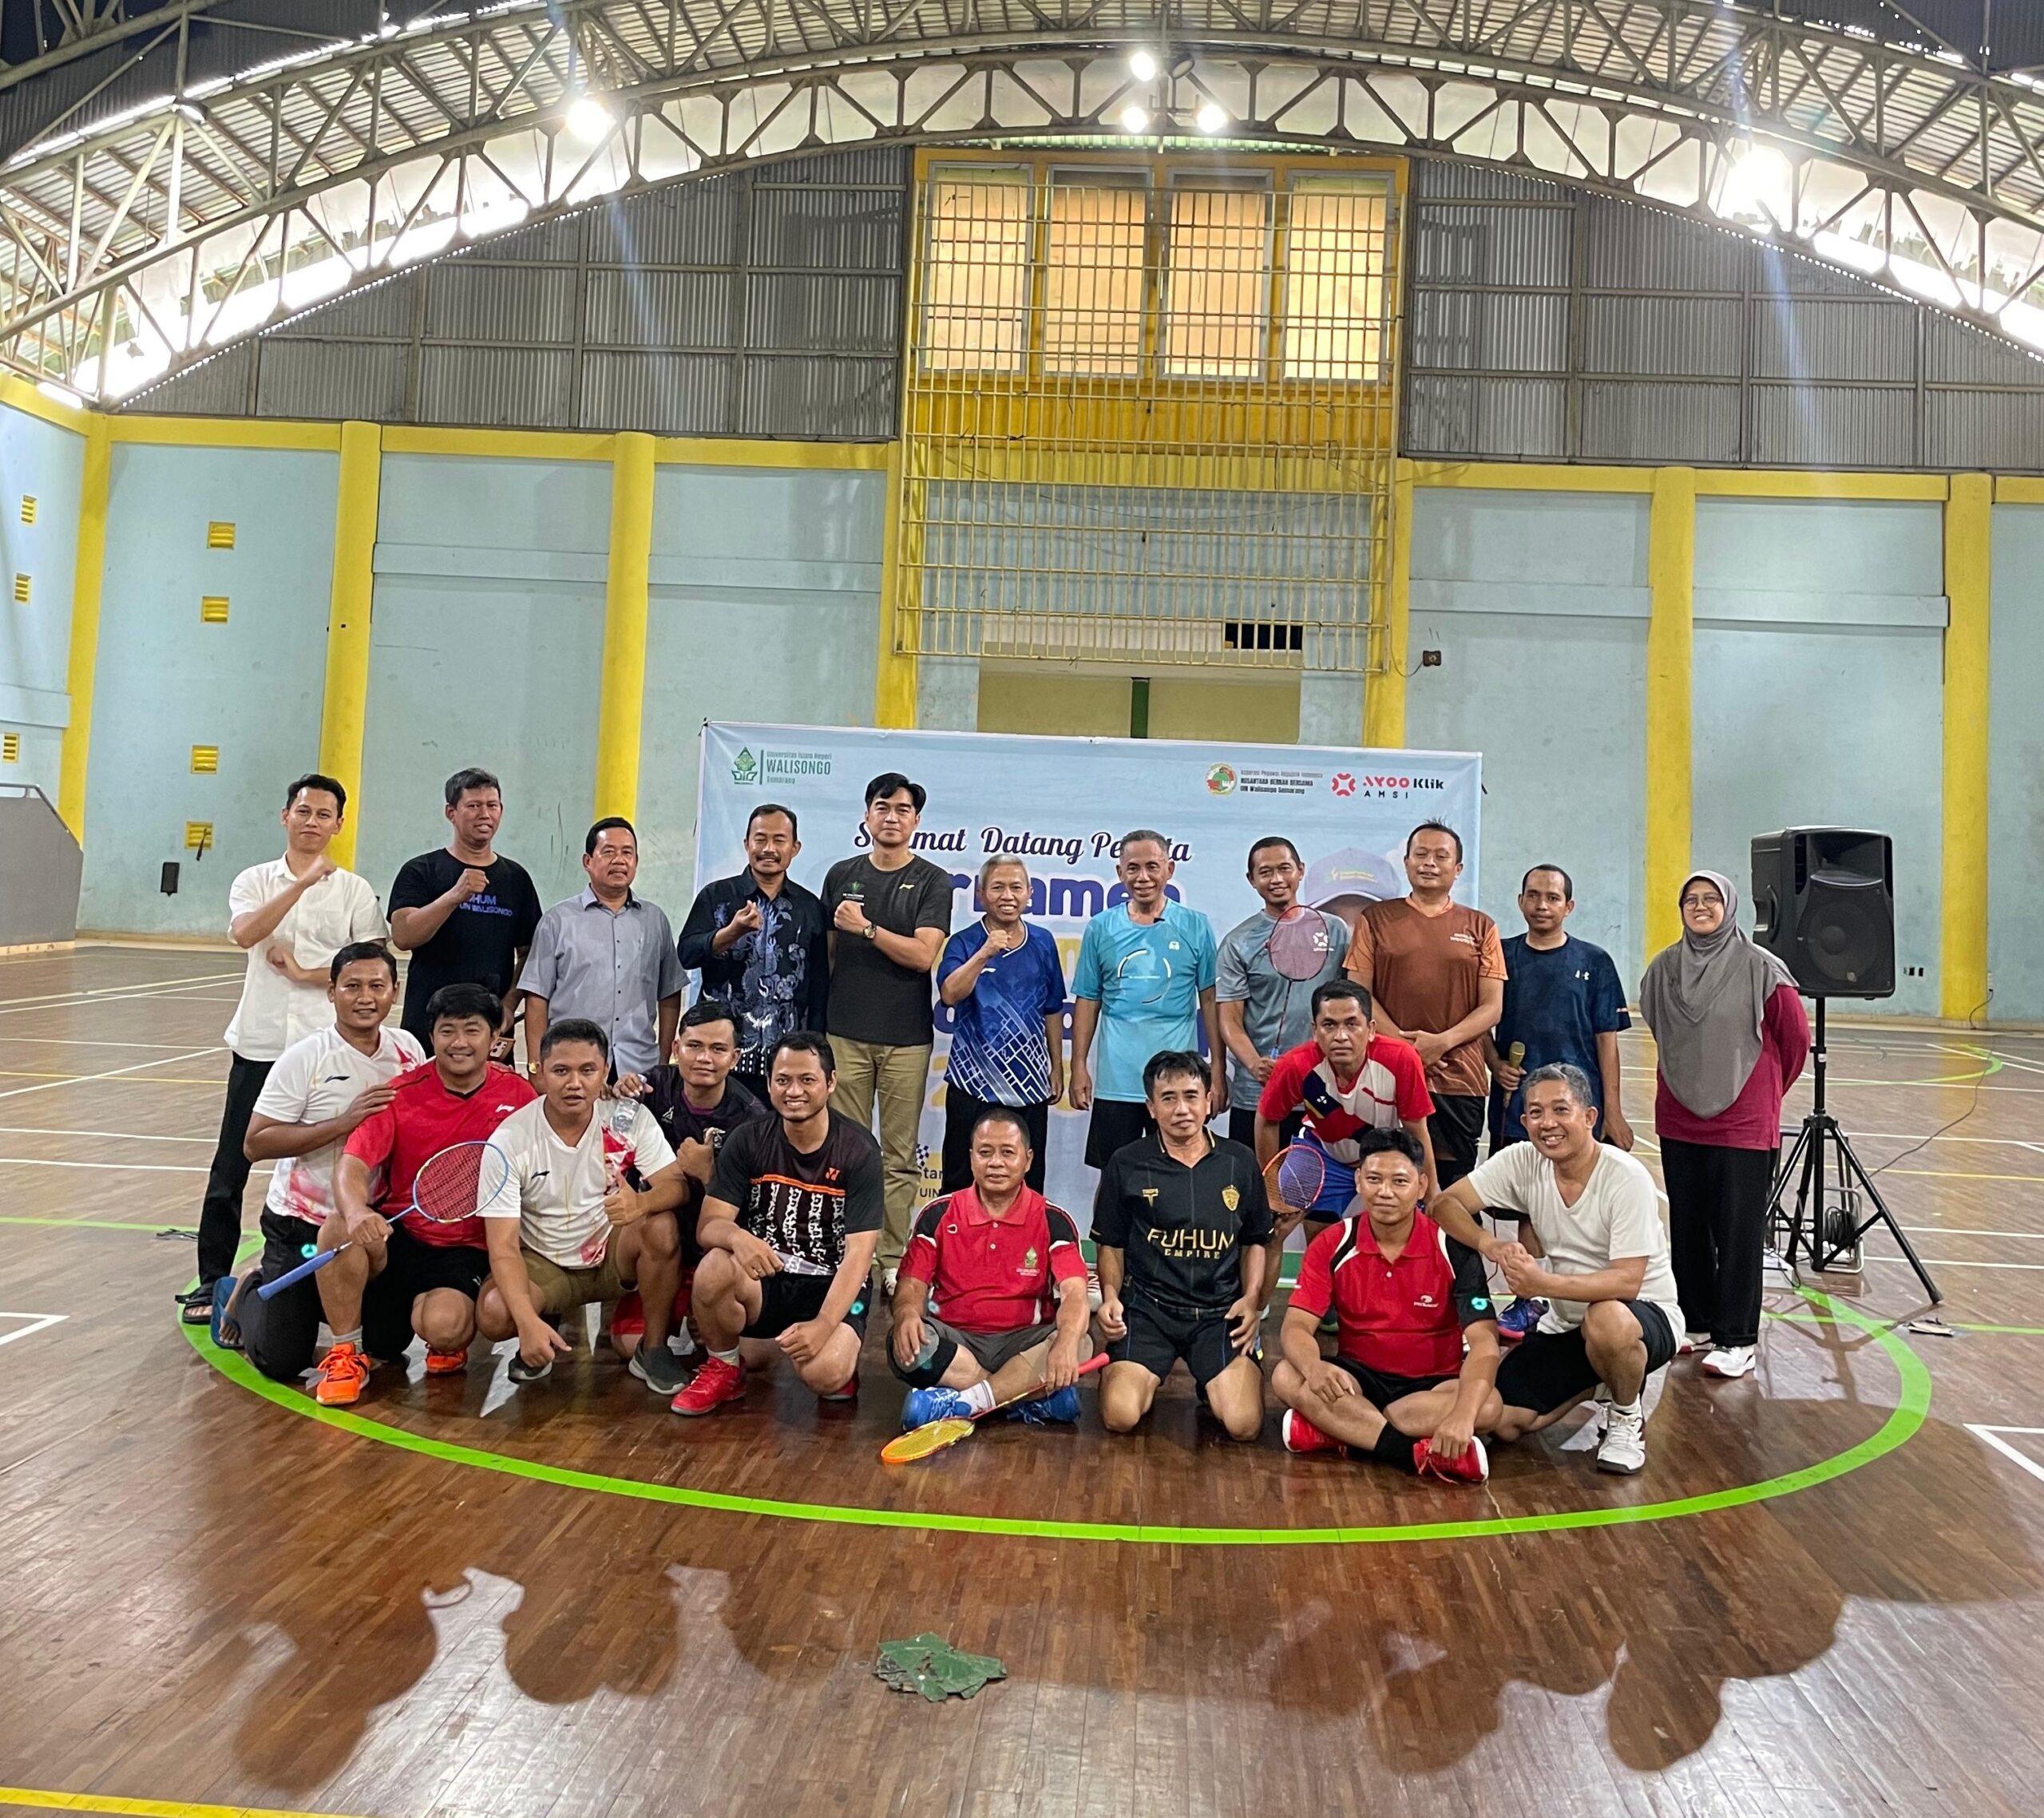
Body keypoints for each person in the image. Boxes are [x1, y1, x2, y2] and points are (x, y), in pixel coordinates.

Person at [180, 772, 386, 1322]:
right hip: (262, 1042)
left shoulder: (355, 891)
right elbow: (246, 933)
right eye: (303, 811)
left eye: (324, 814)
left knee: (331, 1161)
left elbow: (368, 965)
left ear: (339, 824)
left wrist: (301, 971)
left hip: (325, 1049)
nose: (312, 821)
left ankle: (328, 1272)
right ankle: (211, 1281)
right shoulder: (254, 880)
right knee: (232, 1164)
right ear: (285, 816)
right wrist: (301, 884)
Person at [1429, 1064, 1685, 1475]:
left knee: (1607, 1319)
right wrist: (1490, 1245)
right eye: (1535, 1112)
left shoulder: (1626, 1177)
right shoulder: (1523, 1160)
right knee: (1504, 1422)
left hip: (1641, 1316)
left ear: (1589, 1117)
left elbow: (1627, 1281)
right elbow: (1445, 1205)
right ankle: (1602, 1379)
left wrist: (1542, 1283)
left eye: (1560, 1110)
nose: (1547, 1123)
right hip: (1566, 1325)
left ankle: (1625, 1416)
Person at [208, 943, 424, 1384]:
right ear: (331, 992)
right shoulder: (306, 1057)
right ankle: (246, 1288)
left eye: (377, 986)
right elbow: (255, 1143)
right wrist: (344, 1122)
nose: (365, 998)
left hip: (371, 1223)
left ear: (395, 991)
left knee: (388, 1342)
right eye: (352, 986)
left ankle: (324, 1302)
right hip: (302, 1226)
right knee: (282, 1360)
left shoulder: (407, 1051)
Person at [313, 983, 537, 1404]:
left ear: (495, 1038)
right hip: (400, 1238)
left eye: (472, 1030)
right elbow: (352, 1164)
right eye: (447, 1030)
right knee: (337, 1227)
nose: (459, 1042)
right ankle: (345, 1351)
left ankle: (439, 1336)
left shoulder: (519, 1095)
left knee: (444, 1326)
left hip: (467, 1248)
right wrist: (358, 1211)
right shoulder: (401, 1093)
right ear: (431, 1036)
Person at [1638, 869, 1809, 1382]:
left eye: (1711, 898)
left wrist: (1762, 1094)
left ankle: (1737, 1337)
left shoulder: (1763, 969)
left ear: (1730, 906)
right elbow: (1658, 1026)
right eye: (1690, 899)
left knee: (1738, 1231)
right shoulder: (1663, 968)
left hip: (1744, 1123)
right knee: (1688, 1226)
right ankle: (1696, 1321)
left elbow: (1794, 1041)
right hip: (1679, 1117)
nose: (1700, 906)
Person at [671, 1032, 884, 1416]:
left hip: (831, 1283)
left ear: (831, 1083)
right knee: (715, 1264)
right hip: (768, 1277)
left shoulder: (859, 1149)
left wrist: (824, 1323)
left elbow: (860, 1255)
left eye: (807, 1080)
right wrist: (739, 1238)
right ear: (768, 1084)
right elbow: (709, 1226)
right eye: (783, 1080)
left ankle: (838, 1356)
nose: (794, 1091)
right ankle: (725, 1368)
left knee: (825, 1376)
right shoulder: (748, 1139)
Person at [1272, 1128, 1502, 1483]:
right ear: (1358, 1181)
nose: (1385, 1192)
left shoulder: (1453, 1247)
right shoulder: (1333, 1242)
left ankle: (1342, 1429)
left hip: (1432, 1387)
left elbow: (1485, 1342)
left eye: (1399, 1181)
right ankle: (1412, 1452)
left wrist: (1463, 1416)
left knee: (1488, 1406)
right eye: (1374, 1179)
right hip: (1358, 1380)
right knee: (1287, 1374)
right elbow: (1297, 1326)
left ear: (1422, 1186)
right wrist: (1314, 1367)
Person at [473, 1020, 690, 1395]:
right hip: (544, 1262)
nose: (574, 1083)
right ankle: (542, 1326)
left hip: (611, 1253)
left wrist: (641, 1203)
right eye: (561, 1071)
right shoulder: (509, 1140)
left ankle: (653, 1349)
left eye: (587, 1070)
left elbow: (677, 1186)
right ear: (540, 1071)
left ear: (605, 1071)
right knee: (495, 1313)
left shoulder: (627, 1118)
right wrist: (525, 1323)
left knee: (661, 1227)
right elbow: (504, 1247)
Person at [1483, 864, 1634, 1342]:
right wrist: (1494, 1064)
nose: (1542, 905)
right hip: (1517, 1106)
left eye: (1552, 898)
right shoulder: (1501, 956)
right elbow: (1480, 1019)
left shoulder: (1595, 961)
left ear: (1569, 906)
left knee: (1583, 1199)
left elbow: (1607, 1041)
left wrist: (1613, 1111)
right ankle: (1530, 1298)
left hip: (1577, 1109)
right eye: (1533, 896)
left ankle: (1587, 1296)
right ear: (1520, 901)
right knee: (1532, 1201)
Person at [1093, 1051, 1271, 1443]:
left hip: (1218, 1313)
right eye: (1168, 1098)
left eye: (1191, 1096)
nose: (1181, 1109)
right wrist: (1110, 1297)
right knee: (1120, 1416)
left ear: (1209, 1101)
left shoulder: (1240, 1162)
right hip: (1148, 1310)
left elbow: (1255, 1240)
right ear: (1151, 1107)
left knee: (1243, 1425)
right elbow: (1111, 1243)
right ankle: (1135, 1373)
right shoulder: (1126, 1163)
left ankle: (1216, 1380)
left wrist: (1252, 1299)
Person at [821, 773, 953, 1290]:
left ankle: (893, 1258)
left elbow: (923, 955)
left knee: (898, 1159)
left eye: (902, 809)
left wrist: (868, 928)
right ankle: (844, 1255)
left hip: (906, 1038)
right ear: (866, 816)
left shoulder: (933, 880)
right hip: (844, 1033)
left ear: (916, 820)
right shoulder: (841, 874)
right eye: (882, 807)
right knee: (845, 1151)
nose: (891, 817)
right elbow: (829, 957)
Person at [890, 1106, 1093, 1429]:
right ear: (971, 1157)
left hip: (1024, 1343)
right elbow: (912, 1284)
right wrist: (906, 1315)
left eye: (1007, 1153)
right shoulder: (938, 1214)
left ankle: (963, 1403)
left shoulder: (1053, 1219)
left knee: (1080, 1341)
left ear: (1028, 1159)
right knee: (906, 1341)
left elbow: (1075, 1295)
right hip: (956, 1342)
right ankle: (1022, 1399)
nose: (995, 1162)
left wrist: (1066, 1342)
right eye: (985, 1152)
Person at [1253, 980, 1437, 1306]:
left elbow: (1417, 1131)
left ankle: (1390, 1310)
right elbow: (1267, 1119)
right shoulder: (1296, 1065)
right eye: (1329, 1025)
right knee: (1284, 1233)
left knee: (1394, 1239)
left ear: (1371, 1029)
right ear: (1315, 1031)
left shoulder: (1401, 1060)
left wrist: (1432, 1193)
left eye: (1352, 1024)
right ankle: (1257, 1314)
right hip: (1320, 1154)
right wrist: (1271, 1192)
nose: (1341, 1036)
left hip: (1382, 1157)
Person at [1343, 820, 1506, 1190]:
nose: (1429, 863)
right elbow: (1359, 996)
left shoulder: (1482, 927)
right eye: (1421, 854)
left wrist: (1442, 1042)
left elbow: (1492, 1007)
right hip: (1385, 1076)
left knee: (1449, 1190)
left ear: (1458, 868)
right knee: (1386, 1184)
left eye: (1441, 856)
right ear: (1406, 862)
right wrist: (1406, 1050)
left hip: (1459, 1081)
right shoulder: (1375, 920)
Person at [612, 998, 770, 1355]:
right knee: (628, 1345)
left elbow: (757, 1215)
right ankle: (659, 1304)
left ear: (735, 1057)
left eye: (718, 1049)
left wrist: (709, 1175)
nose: (704, 1058)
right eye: (694, 1046)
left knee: (755, 1356)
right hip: (660, 1243)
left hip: (717, 1249)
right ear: (675, 1048)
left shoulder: (753, 1120)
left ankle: (707, 1300)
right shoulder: (651, 1088)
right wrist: (614, 1092)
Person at [1069, 831, 1223, 1170]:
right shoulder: (1101, 928)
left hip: (1176, 1083)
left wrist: (1218, 1069)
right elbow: (1088, 1001)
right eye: (1133, 868)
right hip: (1116, 1081)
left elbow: (1211, 1000)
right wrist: (1078, 1066)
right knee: (1114, 1176)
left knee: (1179, 1172)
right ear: (1120, 872)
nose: (1143, 877)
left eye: (1152, 866)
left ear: (1169, 869)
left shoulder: (1196, 926)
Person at [386, 768, 542, 1059]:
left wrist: (509, 1005)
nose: (485, 814)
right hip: (428, 1026)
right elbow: (404, 936)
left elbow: (530, 953)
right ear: (451, 812)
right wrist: (454, 896)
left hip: (490, 1028)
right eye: (473, 806)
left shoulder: (516, 878)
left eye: (492, 805)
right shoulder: (420, 871)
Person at [935, 857, 1067, 1194]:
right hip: (971, 1086)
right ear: (981, 894)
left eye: (1016, 887)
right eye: (997, 887)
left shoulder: (1043, 942)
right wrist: (984, 953)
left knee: (1029, 1186)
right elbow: (949, 994)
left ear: (1030, 894)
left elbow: (1052, 1009)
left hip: (1030, 1086)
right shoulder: (964, 942)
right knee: (959, 1183)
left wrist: (1057, 1067)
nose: (1007, 896)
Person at [675, 803, 830, 1085]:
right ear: (747, 844)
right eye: (760, 839)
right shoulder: (717, 895)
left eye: (779, 840)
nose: (769, 849)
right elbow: (686, 954)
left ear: (795, 848)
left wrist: (815, 1045)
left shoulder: (810, 907)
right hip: (722, 1052)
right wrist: (730, 933)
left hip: (785, 1057)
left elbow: (818, 985)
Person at [519, 818, 684, 1079]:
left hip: (639, 1065)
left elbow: (669, 993)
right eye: (608, 852)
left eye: (627, 853)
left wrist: (663, 1061)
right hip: (573, 1065)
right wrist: (536, 1067)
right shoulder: (557, 921)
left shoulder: (655, 921)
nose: (619, 860)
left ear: (636, 861)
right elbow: (537, 997)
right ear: (588, 861)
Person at [1216, 836, 1349, 1150]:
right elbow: (1229, 1020)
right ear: (1252, 880)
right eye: (1265, 872)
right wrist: (1254, 1064)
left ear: (1300, 870)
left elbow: (1352, 1006)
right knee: (1258, 1178)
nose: (1276, 879)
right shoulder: (1238, 942)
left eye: (1284, 868)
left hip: (1325, 1089)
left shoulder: (1336, 930)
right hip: (1259, 1092)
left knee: (1321, 1179)